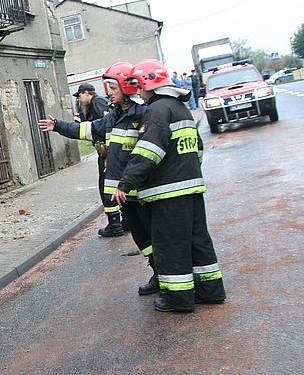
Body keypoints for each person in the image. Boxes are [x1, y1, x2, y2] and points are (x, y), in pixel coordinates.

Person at [113, 59, 226, 313]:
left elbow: (148, 152)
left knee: (170, 245)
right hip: (192, 189)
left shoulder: (157, 111)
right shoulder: (181, 109)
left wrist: (126, 183)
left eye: (139, 85)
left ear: (148, 83)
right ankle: (210, 290)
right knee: (197, 240)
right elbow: (197, 149)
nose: (137, 92)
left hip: (167, 194)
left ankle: (178, 298)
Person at [40, 64, 156, 292]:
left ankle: (167, 275)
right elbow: (90, 129)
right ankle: (157, 271)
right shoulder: (115, 115)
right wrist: (58, 126)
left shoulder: (144, 113)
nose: (109, 92)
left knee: (155, 235)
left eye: (113, 87)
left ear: (126, 87)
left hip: (143, 190)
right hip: (125, 194)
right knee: (143, 239)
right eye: (108, 87)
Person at [69, 83, 118, 235]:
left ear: (86, 93)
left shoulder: (98, 103)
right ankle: (121, 222)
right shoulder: (90, 106)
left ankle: (115, 224)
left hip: (108, 154)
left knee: (106, 187)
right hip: (105, 153)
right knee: (109, 186)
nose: (79, 99)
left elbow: (104, 126)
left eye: (80, 96)